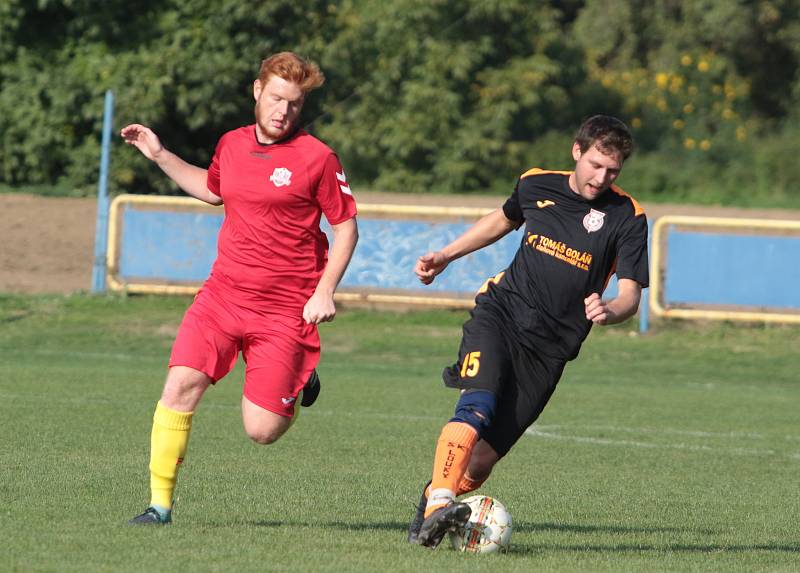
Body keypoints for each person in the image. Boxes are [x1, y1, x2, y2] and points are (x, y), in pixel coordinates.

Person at [121, 52, 358, 525]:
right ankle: (158, 506)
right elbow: (213, 191)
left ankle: (299, 378)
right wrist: (160, 154)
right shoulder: (230, 144)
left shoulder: (317, 157)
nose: (282, 111)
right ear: (257, 91)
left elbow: (346, 227)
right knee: (180, 385)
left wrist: (324, 290)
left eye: (293, 104)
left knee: (262, 430)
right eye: (275, 99)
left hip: (285, 309)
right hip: (222, 297)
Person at [406, 115, 649, 548]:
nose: (601, 177)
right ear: (577, 151)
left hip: (549, 351)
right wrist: (447, 254)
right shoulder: (537, 184)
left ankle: (431, 500)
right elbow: (502, 219)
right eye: (595, 164)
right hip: (500, 315)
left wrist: (612, 311)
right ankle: (440, 502)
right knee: (476, 404)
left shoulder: (627, 217)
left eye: (612, 171)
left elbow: (630, 294)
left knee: (479, 465)